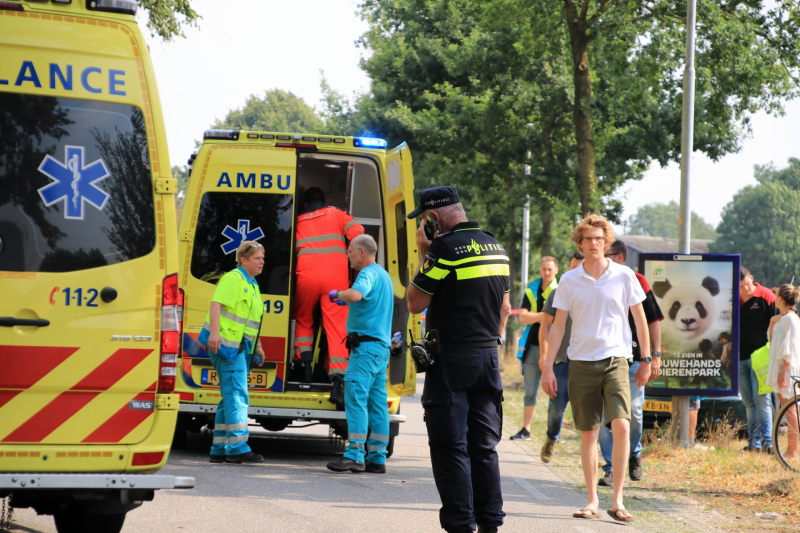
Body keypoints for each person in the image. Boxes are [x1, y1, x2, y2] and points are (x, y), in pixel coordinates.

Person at [407, 186, 510, 533]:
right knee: (484, 447)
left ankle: (461, 526)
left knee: (450, 446)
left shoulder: (443, 248)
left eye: (424, 221)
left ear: (434, 219)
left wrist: (424, 253)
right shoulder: (496, 246)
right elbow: (505, 309)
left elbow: (415, 302)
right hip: (488, 357)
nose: (423, 227)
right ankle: (490, 526)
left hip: (452, 360)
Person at [541, 214, 650, 523]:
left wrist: (647, 358)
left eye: (598, 238)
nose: (593, 243)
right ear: (580, 243)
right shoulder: (569, 280)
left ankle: (618, 499)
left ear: (607, 242)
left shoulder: (624, 275)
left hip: (616, 359)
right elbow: (558, 326)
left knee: (622, 425)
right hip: (580, 362)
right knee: (588, 434)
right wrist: (548, 366)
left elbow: (639, 319)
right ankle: (591, 500)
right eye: (587, 238)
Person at [596, 240, 663, 486]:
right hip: (605, 358)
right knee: (606, 414)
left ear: (620, 257)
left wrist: (654, 356)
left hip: (635, 359)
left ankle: (634, 455)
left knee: (634, 411)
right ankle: (611, 467)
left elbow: (654, 321)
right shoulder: (596, 279)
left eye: (607, 255)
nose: (601, 259)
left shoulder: (637, 281)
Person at [326, 234, 394, 474]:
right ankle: (377, 457)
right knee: (377, 404)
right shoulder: (384, 276)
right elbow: (365, 302)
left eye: (350, 251)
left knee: (355, 398)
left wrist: (338, 294)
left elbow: (355, 295)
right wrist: (349, 301)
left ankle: (355, 454)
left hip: (365, 350)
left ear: (362, 252)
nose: (348, 255)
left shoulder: (366, 274)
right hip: (380, 350)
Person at [291, 187, 364, 400]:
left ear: (305, 203)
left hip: (307, 276)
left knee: (304, 319)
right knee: (336, 327)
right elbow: (359, 235)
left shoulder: (297, 220)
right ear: (324, 201)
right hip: (336, 277)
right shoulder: (338, 214)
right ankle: (337, 383)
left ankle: (304, 368)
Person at [199, 241, 266, 464]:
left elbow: (251, 321)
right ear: (243, 260)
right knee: (237, 393)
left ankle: (219, 447)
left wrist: (257, 347)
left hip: (239, 348)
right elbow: (216, 304)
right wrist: (214, 334)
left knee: (229, 395)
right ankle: (237, 447)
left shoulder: (253, 284)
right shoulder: (233, 278)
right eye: (257, 258)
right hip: (225, 346)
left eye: (263, 258)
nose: (262, 262)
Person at [538, 252, 583, 463]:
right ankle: (551, 438)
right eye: (573, 267)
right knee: (557, 406)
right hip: (562, 360)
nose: (576, 271)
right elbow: (545, 326)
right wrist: (545, 355)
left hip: (587, 359)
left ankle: (594, 452)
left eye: (580, 267)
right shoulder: (557, 293)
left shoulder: (595, 292)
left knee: (590, 409)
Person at [510, 257, 559, 441]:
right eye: (544, 269)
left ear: (556, 271)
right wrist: (545, 316)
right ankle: (526, 430)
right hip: (532, 347)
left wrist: (535, 316)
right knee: (530, 390)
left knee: (556, 394)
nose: (547, 272)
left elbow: (558, 321)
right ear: (540, 269)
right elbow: (522, 318)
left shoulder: (561, 290)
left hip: (555, 349)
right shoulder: (531, 290)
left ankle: (554, 433)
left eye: (550, 269)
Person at [739, 267, 776, 453]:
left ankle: (768, 443)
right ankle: (753, 442)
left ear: (752, 279)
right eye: (740, 287)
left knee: (762, 400)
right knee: (748, 402)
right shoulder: (733, 300)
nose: (745, 289)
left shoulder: (766, 296)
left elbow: (777, 323)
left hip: (761, 358)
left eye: (747, 284)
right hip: (740, 358)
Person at [766, 284, 800, 460]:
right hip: (781, 367)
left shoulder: (790, 319)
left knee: (791, 408)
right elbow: (773, 342)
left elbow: (791, 347)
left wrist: (783, 371)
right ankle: (791, 448)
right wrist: (772, 321)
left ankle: (793, 450)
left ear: (781, 298)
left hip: (787, 368)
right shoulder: (783, 318)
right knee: (788, 407)